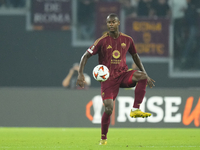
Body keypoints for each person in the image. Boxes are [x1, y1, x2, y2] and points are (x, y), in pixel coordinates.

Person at [76, 13, 155, 145]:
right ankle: (103, 138)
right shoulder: (101, 41)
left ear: (118, 23)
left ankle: (135, 109)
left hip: (123, 74)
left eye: (113, 22)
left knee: (142, 76)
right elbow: (85, 56)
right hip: (108, 79)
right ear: (107, 24)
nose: (111, 24)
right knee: (108, 109)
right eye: (109, 23)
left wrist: (146, 73)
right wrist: (80, 74)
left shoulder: (128, 40)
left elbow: (136, 56)